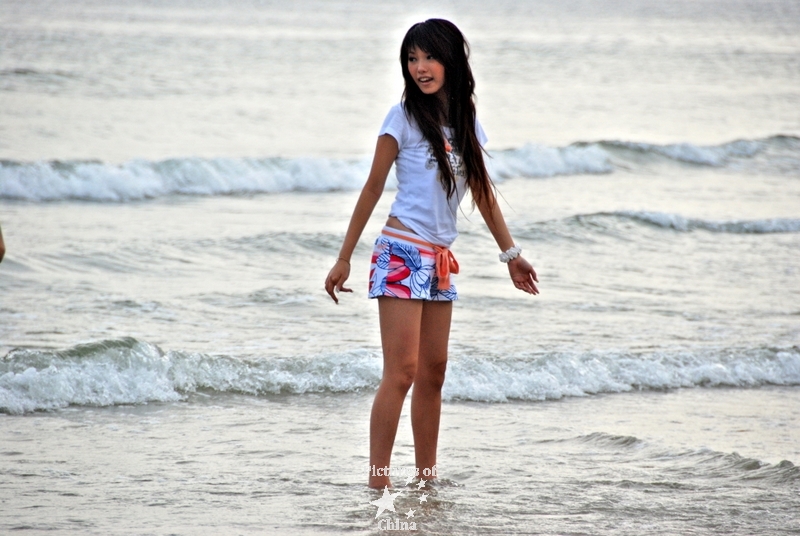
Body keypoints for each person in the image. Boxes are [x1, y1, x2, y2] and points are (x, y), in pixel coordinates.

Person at [324, 19, 538, 489]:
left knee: (434, 374)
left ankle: (426, 480)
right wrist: (344, 258)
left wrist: (511, 254)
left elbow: (481, 193)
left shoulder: (466, 124)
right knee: (400, 374)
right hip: (401, 253)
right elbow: (373, 187)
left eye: (428, 57)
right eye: (411, 59)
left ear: (451, 60)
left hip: (440, 262)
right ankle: (378, 481)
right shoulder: (400, 119)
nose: (419, 68)